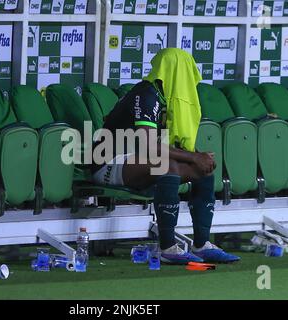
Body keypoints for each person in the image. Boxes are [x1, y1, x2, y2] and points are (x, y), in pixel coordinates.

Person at [91, 48, 240, 264]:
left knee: (204, 170)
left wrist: (198, 158)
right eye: (186, 70)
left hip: (136, 161)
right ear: (174, 70)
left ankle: (202, 245)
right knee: (167, 165)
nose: (189, 76)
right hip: (106, 163)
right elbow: (150, 145)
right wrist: (192, 156)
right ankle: (168, 248)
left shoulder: (169, 97)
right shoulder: (146, 93)